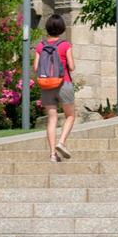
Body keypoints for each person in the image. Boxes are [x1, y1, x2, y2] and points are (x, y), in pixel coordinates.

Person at [33, 14, 76, 163]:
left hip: (46, 85)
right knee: (70, 116)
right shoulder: (65, 45)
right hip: (64, 83)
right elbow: (71, 67)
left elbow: (36, 67)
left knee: (52, 119)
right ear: (62, 28)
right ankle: (61, 142)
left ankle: (52, 154)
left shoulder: (40, 46)